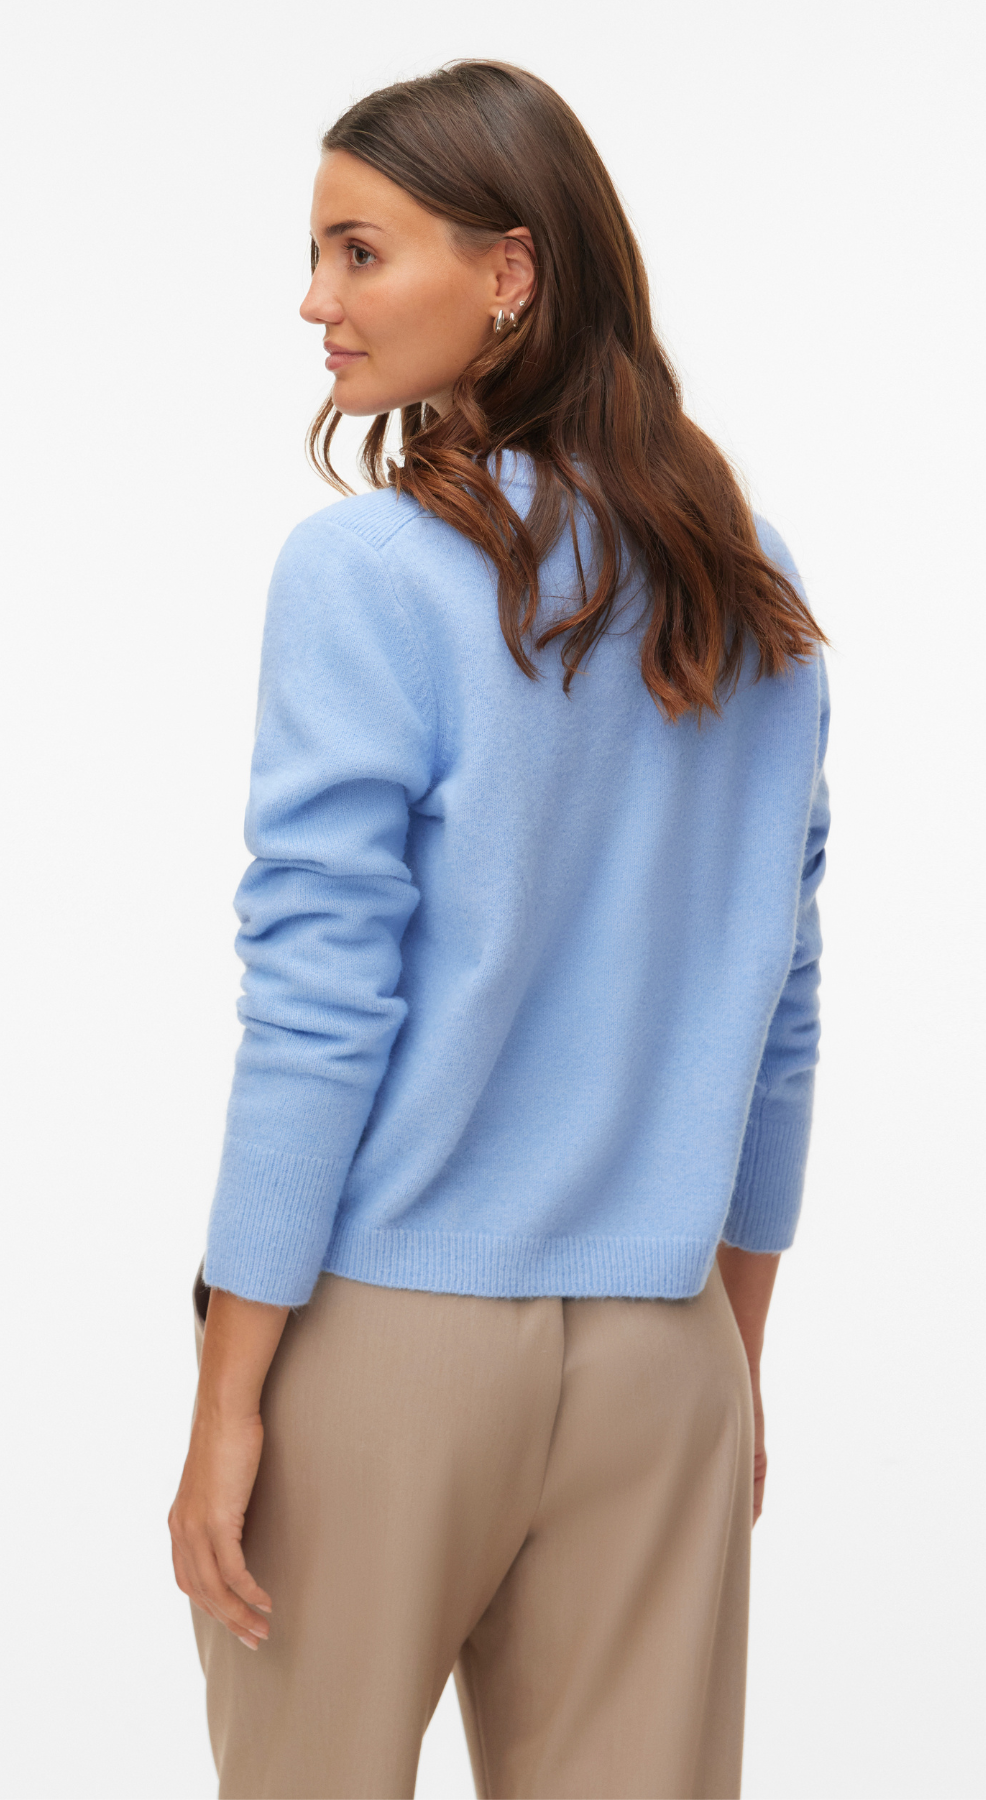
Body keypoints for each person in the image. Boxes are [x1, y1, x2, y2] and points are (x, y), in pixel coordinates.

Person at [168, 59, 830, 1800]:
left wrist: (231, 1393)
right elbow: (778, 1012)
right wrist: (734, 1357)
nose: (316, 301)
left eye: (359, 251)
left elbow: (320, 999)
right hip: (668, 1349)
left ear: (510, 270)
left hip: (390, 1331)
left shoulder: (367, 574)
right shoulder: (745, 580)